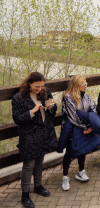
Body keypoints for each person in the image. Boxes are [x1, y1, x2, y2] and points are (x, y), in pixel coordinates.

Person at [12, 72, 57, 208]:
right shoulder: (18, 98)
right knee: (28, 165)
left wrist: (51, 107)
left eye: (41, 86)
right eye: (37, 86)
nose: (39, 89)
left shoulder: (46, 91)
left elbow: (53, 112)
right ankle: (25, 194)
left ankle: (38, 186)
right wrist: (32, 111)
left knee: (39, 162)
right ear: (29, 83)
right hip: (29, 135)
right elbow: (17, 119)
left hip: (44, 133)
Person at [58, 75, 100, 191]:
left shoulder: (85, 96)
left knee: (83, 150)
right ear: (76, 85)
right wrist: (86, 126)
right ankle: (65, 177)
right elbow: (73, 117)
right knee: (69, 152)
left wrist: (91, 126)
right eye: (84, 84)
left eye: (86, 84)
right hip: (72, 129)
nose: (86, 86)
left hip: (84, 128)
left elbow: (93, 109)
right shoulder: (68, 97)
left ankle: (81, 171)